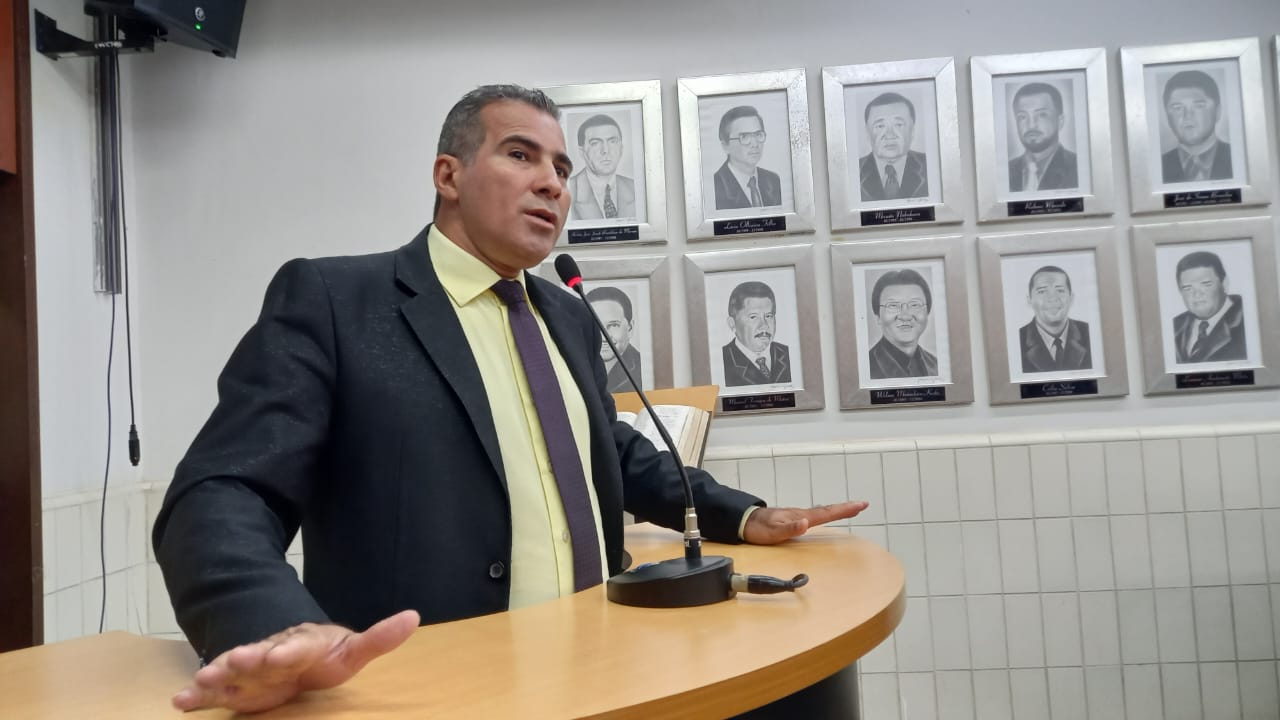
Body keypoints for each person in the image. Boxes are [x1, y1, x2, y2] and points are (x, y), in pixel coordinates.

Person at [152, 84, 866, 714]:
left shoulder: (568, 316)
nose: (551, 183)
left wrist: (741, 514)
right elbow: (223, 490)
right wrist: (275, 627)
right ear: (449, 175)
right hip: (428, 693)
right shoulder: (337, 302)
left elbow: (609, 450)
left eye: (562, 169)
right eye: (521, 156)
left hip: (599, 675)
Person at [1171, 250, 1247, 363]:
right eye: (1187, 288)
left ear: (1224, 284)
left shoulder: (1249, 322)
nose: (1196, 294)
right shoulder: (1174, 326)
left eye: (1206, 284)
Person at [1160, 70, 1232, 184]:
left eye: (1199, 106)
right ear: (1167, 117)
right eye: (1177, 108)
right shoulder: (1158, 166)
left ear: (1218, 112)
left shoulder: (1238, 159)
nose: (1187, 116)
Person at [1018, 265, 1092, 373]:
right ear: (1029, 300)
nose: (1052, 298)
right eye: (1042, 291)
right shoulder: (1018, 340)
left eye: (1060, 290)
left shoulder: (1090, 333)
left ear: (1071, 298)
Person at [1007, 82, 1078, 192]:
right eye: (1022, 117)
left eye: (1042, 115)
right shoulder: (1005, 171)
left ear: (1060, 121)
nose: (1031, 125)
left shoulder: (1078, 168)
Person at [867, 269, 938, 379]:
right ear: (878, 316)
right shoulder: (864, 369)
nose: (905, 316)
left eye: (915, 305)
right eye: (893, 305)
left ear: (927, 313)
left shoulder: (936, 365)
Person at [858, 92, 928, 202]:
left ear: (912, 131)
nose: (890, 135)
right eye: (880, 126)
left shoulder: (931, 166)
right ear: (867, 133)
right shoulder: (854, 172)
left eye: (898, 125)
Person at [721, 281, 791, 386]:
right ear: (732, 324)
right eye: (753, 317)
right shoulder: (722, 362)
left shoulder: (787, 353)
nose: (764, 325)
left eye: (768, 316)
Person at [712, 105, 783, 210]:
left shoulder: (773, 180)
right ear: (725, 146)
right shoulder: (715, 187)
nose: (755, 144)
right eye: (744, 137)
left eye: (758, 135)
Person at [569, 114, 637, 221]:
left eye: (612, 141)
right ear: (581, 152)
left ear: (621, 149)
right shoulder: (567, 191)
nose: (605, 150)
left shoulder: (636, 188)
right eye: (595, 143)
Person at [586, 285, 641, 393]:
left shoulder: (641, 369)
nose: (603, 337)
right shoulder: (574, 366)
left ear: (630, 328)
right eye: (594, 325)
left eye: (613, 325)